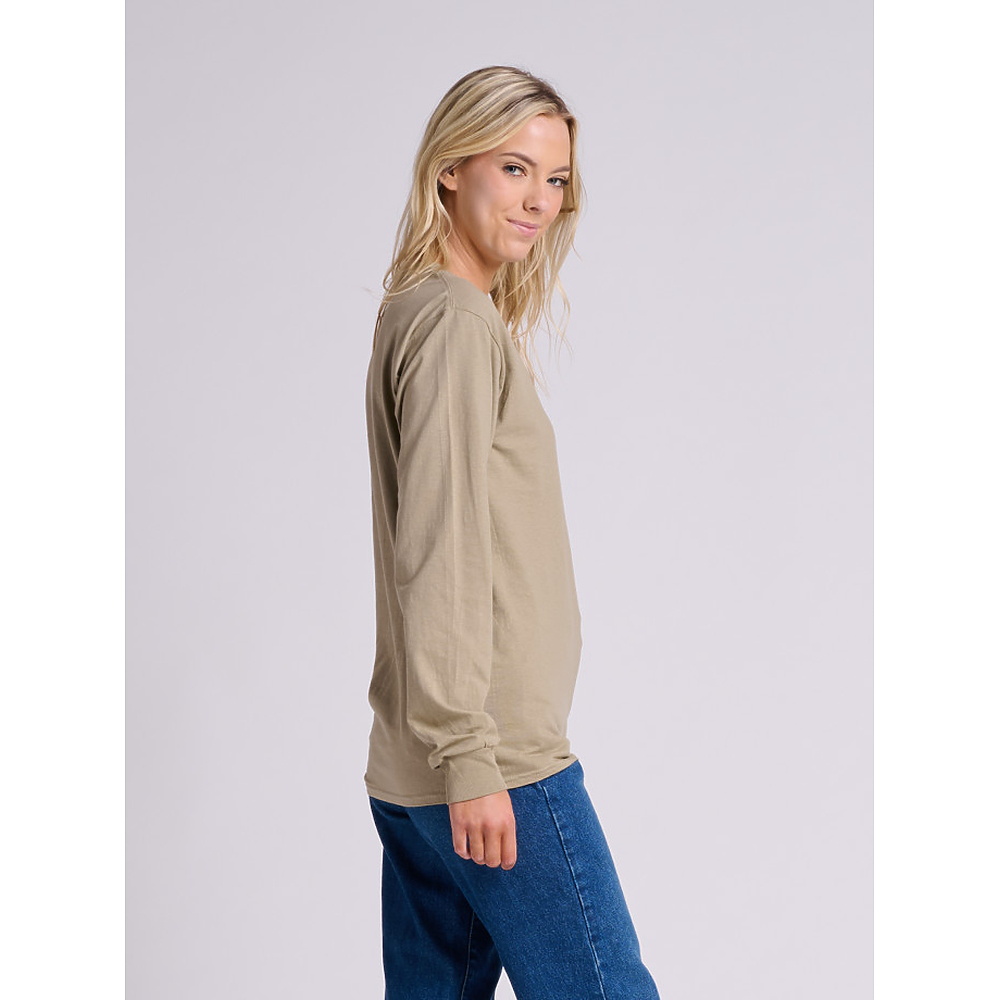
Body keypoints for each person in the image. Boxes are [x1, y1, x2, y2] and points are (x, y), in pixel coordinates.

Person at [363, 65, 661, 1000]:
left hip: (420, 771)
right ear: (451, 168)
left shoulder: (420, 312)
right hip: (492, 765)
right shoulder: (453, 325)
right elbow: (440, 546)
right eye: (515, 168)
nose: (540, 200)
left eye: (557, 178)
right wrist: (470, 755)